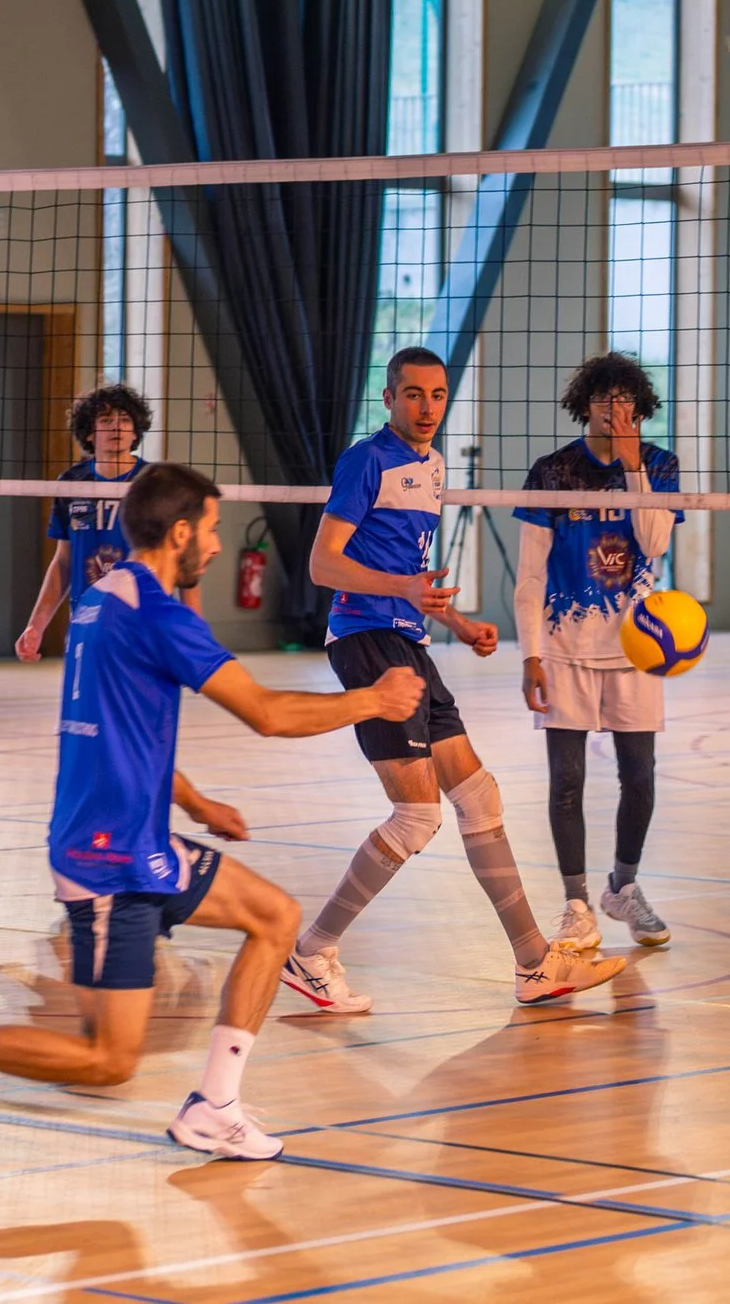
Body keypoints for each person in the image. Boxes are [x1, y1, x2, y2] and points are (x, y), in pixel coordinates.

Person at [0, 464, 425, 1161]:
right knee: (107, 1061)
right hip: (107, 861)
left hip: (141, 842)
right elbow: (268, 714)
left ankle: (215, 1108)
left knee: (274, 917)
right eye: (210, 530)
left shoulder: (100, 599)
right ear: (179, 532)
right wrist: (374, 700)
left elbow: (119, 728)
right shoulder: (160, 615)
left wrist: (195, 801)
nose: (216, 545)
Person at [281, 346, 625, 1013]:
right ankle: (312, 953)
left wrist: (460, 624)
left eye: (437, 395)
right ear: (389, 398)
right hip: (366, 641)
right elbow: (324, 566)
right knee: (416, 816)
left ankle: (535, 964)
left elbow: (412, 578)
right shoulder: (366, 461)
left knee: (480, 797)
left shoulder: (434, 466)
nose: (427, 407)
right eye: (413, 394)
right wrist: (404, 591)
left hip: (407, 641)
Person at [512, 352, 683, 950]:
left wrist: (634, 468)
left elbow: (654, 544)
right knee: (567, 779)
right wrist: (530, 656)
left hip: (636, 647)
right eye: (605, 398)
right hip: (564, 646)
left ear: (641, 407)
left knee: (640, 777)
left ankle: (623, 888)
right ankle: (576, 904)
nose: (615, 409)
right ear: (585, 404)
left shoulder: (660, 465)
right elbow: (530, 575)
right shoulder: (553, 471)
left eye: (626, 399)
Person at [17, 383, 195, 662]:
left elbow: (183, 559)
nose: (116, 427)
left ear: (135, 432)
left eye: (125, 419)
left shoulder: (155, 482)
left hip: (144, 618)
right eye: (106, 420)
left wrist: (192, 633)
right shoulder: (73, 482)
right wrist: (35, 626)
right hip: (89, 620)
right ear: (89, 433)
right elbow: (63, 562)